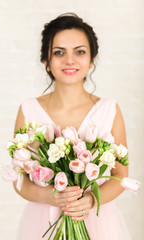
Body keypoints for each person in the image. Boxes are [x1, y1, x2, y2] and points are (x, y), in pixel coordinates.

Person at [13, 13, 131, 240]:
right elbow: (19, 181)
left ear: (91, 59)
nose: (69, 60)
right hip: (43, 219)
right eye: (59, 52)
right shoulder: (28, 110)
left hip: (98, 221)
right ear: (46, 61)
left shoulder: (109, 110)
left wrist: (91, 200)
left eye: (79, 51)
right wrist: (50, 196)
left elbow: (121, 176)